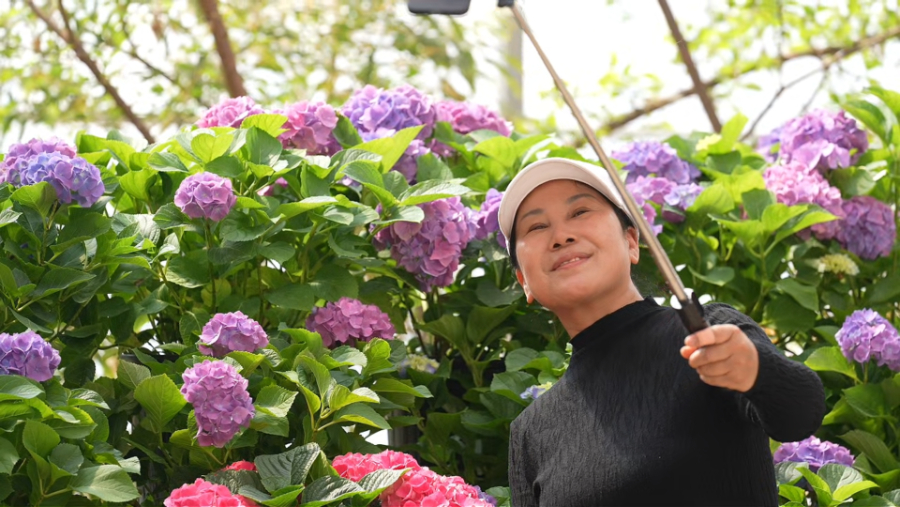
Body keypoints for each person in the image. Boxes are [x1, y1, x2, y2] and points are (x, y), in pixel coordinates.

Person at [499, 157, 826, 507]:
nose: (561, 236)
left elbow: (800, 414)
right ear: (523, 281)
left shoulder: (710, 332)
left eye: (580, 212)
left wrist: (756, 371)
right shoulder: (530, 432)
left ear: (631, 242)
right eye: (536, 227)